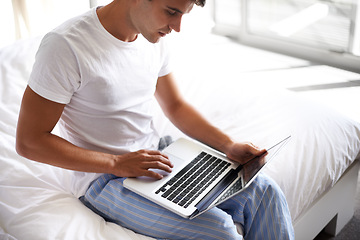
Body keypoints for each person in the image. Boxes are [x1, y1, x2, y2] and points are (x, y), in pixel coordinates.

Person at [16, 0, 294, 239]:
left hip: (160, 155)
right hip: (104, 179)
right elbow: (30, 142)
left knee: (265, 193)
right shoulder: (66, 45)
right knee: (219, 230)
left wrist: (228, 146)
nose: (177, 27)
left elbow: (175, 105)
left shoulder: (151, 37)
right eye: (172, 11)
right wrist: (117, 163)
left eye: (183, 14)